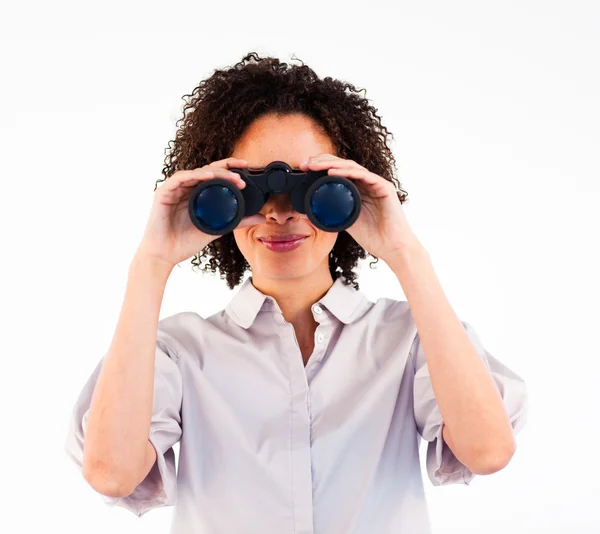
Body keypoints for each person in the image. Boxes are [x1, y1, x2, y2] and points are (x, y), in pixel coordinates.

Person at [64, 51, 528, 534]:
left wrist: (403, 249)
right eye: (251, 189)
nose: (279, 213)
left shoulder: (409, 339)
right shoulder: (178, 352)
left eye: (312, 190)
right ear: (216, 195)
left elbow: (488, 450)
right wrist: (152, 262)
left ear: (349, 195)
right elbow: (112, 474)